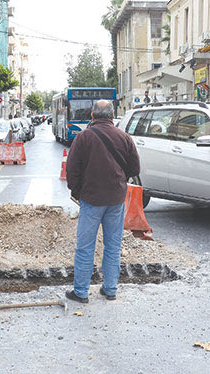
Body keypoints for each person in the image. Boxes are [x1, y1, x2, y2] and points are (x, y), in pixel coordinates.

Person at [65, 99, 140, 303]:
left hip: (91, 200)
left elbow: (72, 170)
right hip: (116, 200)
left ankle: (80, 292)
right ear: (112, 116)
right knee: (113, 246)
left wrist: (77, 192)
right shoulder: (124, 137)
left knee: (85, 247)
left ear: (92, 116)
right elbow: (135, 169)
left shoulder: (83, 137)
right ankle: (110, 289)